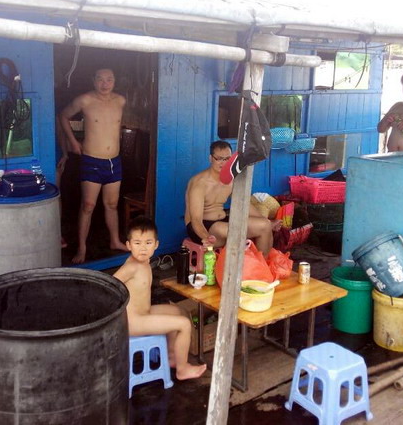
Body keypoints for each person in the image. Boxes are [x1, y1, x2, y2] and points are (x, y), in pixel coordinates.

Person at [113, 217, 207, 380]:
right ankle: (182, 369)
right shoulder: (131, 267)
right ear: (128, 245)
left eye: (148, 243)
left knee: (178, 311)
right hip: (133, 322)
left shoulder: (144, 262)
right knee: (184, 324)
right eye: (137, 243)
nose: (143, 248)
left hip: (144, 313)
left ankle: (172, 356)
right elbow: (110, 285)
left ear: (156, 244)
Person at [58, 68, 128, 263]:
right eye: (100, 79)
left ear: (114, 81)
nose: (105, 84)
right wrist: (73, 142)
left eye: (109, 79)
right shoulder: (85, 100)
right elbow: (63, 116)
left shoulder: (120, 101)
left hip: (114, 161)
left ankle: (115, 241)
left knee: (112, 204)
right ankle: (82, 248)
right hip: (92, 160)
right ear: (93, 80)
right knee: (88, 205)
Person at [184, 140, 277, 258]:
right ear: (210, 158)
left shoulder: (230, 179)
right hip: (201, 227)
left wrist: (267, 220)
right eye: (219, 158)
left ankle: (261, 264)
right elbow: (196, 220)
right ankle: (240, 265)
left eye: (227, 159)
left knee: (265, 225)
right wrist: (206, 238)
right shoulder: (199, 183)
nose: (223, 163)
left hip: (223, 222)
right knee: (232, 230)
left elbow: (243, 204)